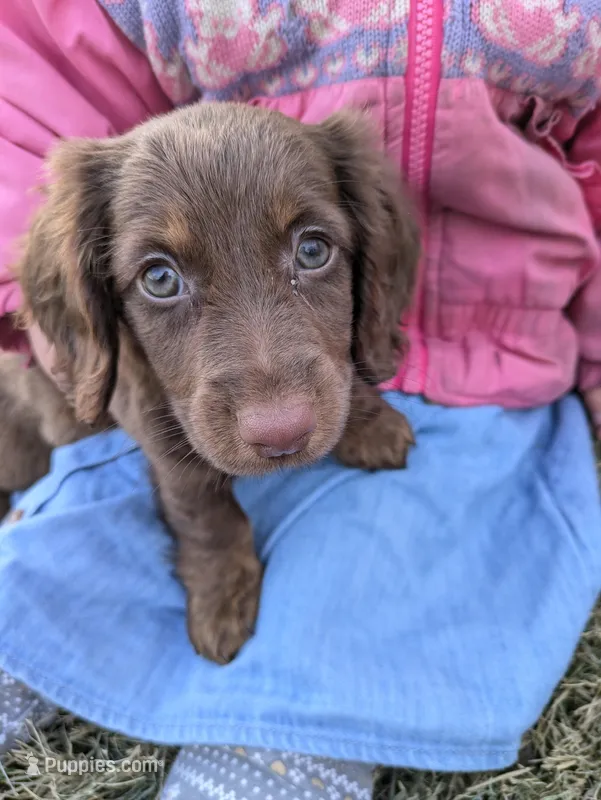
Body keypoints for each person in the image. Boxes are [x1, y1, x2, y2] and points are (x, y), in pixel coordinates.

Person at [1, 2, 600, 798]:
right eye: (159, 277)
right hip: (151, 412)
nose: (272, 409)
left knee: (398, 567)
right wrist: (218, 558)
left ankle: (283, 750)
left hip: (492, 362)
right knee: (85, 529)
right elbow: (33, 82)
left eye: (311, 249)